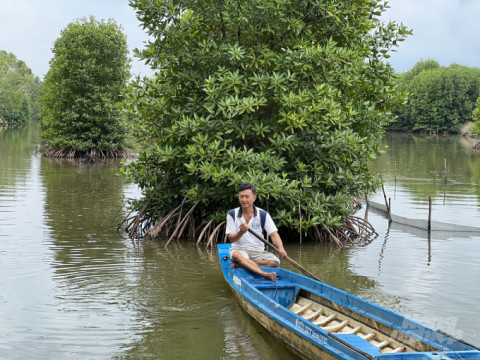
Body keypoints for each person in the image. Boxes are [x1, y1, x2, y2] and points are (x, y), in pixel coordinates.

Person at [226, 182, 287, 281]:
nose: (244, 199)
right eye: (241, 196)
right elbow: (231, 239)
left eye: (247, 196)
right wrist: (241, 232)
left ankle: (244, 265)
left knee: (275, 262)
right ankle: (264, 273)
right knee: (237, 255)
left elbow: (273, 234)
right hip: (240, 250)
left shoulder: (263, 214)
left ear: (254, 198)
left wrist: (281, 248)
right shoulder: (232, 214)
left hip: (257, 252)